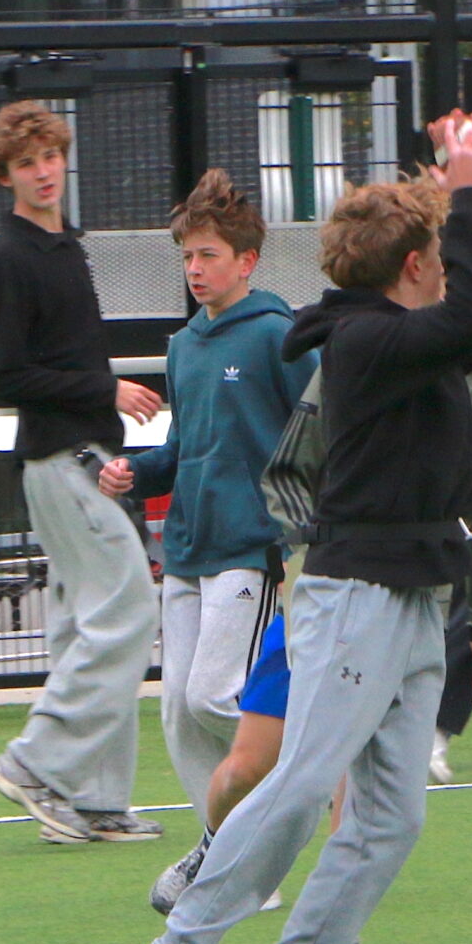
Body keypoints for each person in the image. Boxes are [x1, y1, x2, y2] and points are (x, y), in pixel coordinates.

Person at [119, 116, 472, 944]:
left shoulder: (418, 337)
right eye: (437, 255)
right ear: (409, 268)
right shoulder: (364, 342)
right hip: (351, 595)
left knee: (391, 818)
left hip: (414, 601)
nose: (450, 269)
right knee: (305, 780)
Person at [0, 99, 164, 846]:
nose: (44, 171)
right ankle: (34, 762)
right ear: (6, 175)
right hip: (61, 460)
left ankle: (92, 800)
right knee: (127, 611)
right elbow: (5, 374)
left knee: (94, 623)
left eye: (49, 155)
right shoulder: (11, 257)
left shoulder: (64, 246)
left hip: (88, 457)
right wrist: (103, 391)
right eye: (27, 163)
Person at [97, 169, 316, 824]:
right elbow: (189, 450)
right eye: (187, 255)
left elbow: (324, 430)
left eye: (208, 255)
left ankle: (320, 759)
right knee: (179, 711)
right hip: (189, 548)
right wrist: (138, 473)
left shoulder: (279, 334)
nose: (194, 268)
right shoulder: (185, 347)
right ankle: (225, 856)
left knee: (218, 697)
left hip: (252, 548)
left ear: (246, 261)